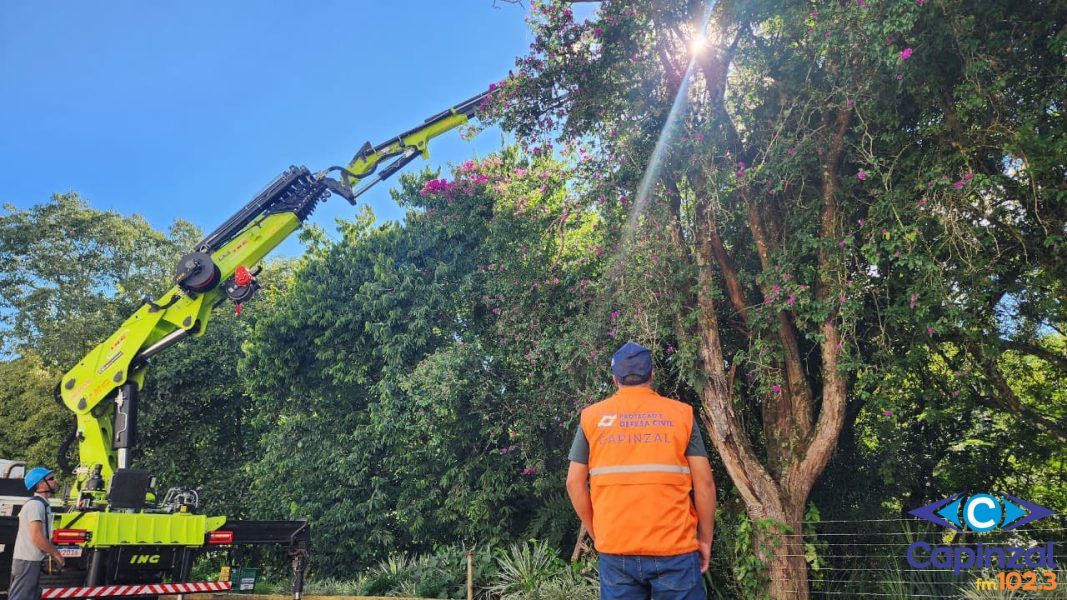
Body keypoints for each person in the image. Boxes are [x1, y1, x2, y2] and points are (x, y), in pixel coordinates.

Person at [567, 341, 716, 600]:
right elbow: (704, 484)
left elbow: (573, 483)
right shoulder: (681, 415)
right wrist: (705, 540)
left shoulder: (592, 418)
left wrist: (597, 533)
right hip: (675, 550)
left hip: (616, 550)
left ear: (615, 379)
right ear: (652, 376)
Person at [9, 467, 64, 600]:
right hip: (28, 561)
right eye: (51, 479)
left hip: (31, 560)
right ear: (41, 484)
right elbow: (37, 537)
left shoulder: (43, 505)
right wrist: (56, 553)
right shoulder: (35, 506)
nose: (55, 481)